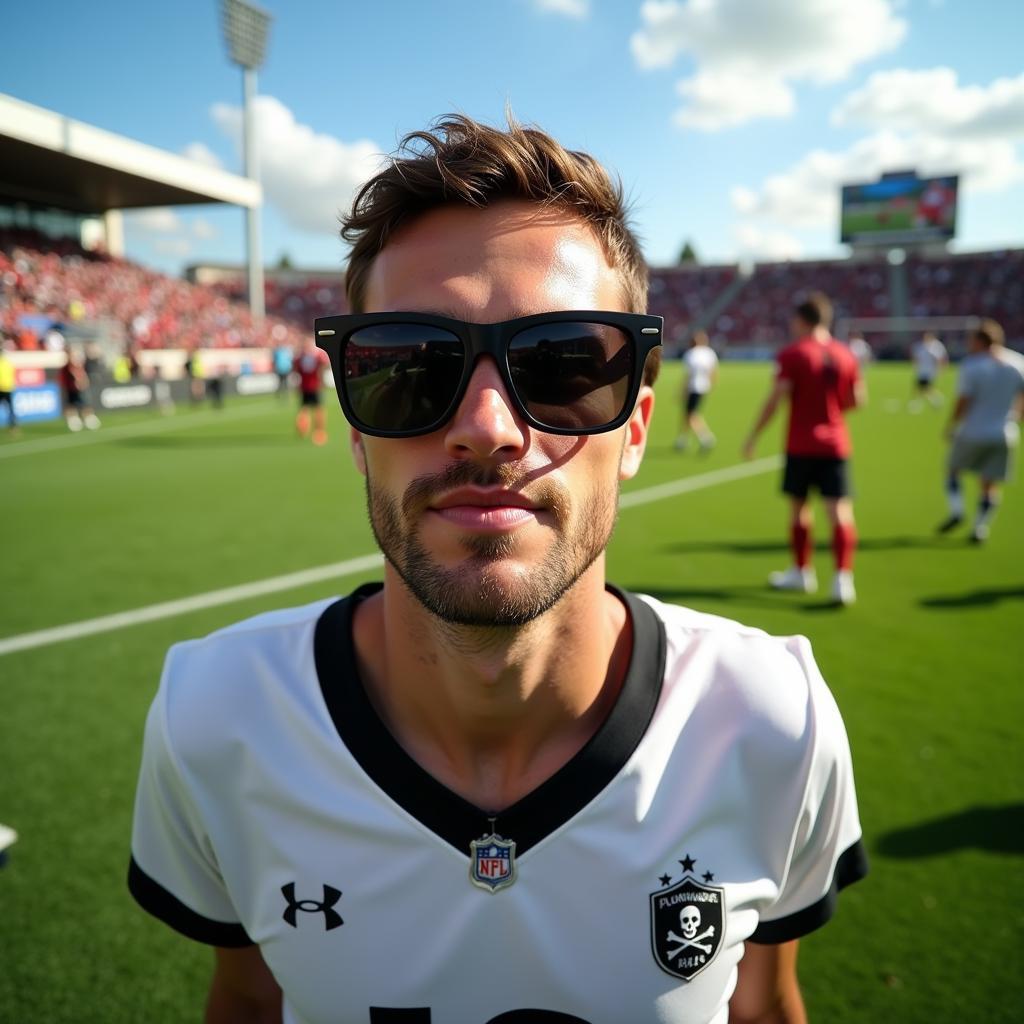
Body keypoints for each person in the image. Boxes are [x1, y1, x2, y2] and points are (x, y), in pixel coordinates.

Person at [129, 115, 866, 1024]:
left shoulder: (772, 718)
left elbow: (765, 1005)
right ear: (356, 430)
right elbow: (246, 998)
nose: (487, 427)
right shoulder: (215, 717)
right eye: (407, 366)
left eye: (562, 365)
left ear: (634, 426)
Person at [742, 293, 865, 606]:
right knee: (839, 511)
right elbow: (856, 401)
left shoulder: (793, 353)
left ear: (801, 320)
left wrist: (754, 434)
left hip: (801, 442)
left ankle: (802, 572)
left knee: (800, 509)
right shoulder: (846, 354)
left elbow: (778, 397)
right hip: (836, 443)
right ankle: (842, 579)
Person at [937, 318, 1024, 543]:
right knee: (990, 483)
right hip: (1005, 432)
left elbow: (963, 401)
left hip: (973, 431)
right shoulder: (1018, 362)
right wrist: (1016, 417)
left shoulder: (973, 365)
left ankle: (957, 511)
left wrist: (951, 426)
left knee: (952, 470)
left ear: (980, 341)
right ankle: (980, 527)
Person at [674, 329, 718, 453]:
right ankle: (682, 440)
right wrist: (711, 385)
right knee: (687, 413)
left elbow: (688, 375)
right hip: (704, 387)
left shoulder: (691, 354)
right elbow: (713, 371)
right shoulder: (709, 353)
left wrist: (682, 391)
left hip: (693, 387)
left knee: (691, 415)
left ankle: (706, 438)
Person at [292, 336, 330, 445]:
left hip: (305, 386)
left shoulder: (300, 357)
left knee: (305, 409)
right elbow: (324, 366)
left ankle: (305, 430)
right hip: (314, 386)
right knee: (318, 410)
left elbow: (295, 369)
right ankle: (318, 432)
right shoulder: (316, 356)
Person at [59, 347, 100, 431]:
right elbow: (68, 377)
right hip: (71, 388)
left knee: (85, 404)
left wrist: (84, 382)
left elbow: (82, 375)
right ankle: (74, 421)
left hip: (79, 388)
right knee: (72, 405)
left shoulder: (78, 365)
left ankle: (89, 419)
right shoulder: (68, 366)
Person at [908, 331, 947, 411]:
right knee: (922, 388)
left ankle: (934, 401)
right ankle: (920, 403)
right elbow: (917, 358)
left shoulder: (935, 347)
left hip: (929, 371)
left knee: (924, 388)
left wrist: (940, 369)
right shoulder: (921, 346)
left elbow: (939, 359)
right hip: (922, 370)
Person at [0, 338, 18, 433]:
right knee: (11, 409)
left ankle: (13, 426)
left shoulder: (5, 363)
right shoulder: (8, 363)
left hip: (3, 388)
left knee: (11, 409)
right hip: (8, 388)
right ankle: (14, 427)